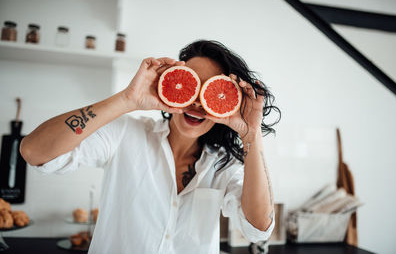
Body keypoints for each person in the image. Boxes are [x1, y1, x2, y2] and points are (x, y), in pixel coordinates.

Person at [20, 40, 280, 254]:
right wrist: (127, 99)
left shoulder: (224, 165)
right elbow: (34, 152)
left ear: (226, 103)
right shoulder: (126, 134)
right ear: (172, 82)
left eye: (211, 91)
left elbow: (259, 228)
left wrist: (251, 134)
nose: (198, 102)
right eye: (190, 85)